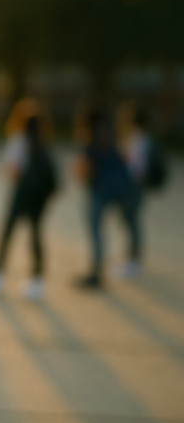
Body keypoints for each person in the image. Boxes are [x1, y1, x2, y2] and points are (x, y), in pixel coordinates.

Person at [0, 113, 58, 300]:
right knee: (35, 234)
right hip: (40, 198)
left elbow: (12, 170)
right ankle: (37, 279)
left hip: (22, 194)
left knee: (8, 233)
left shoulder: (18, 141)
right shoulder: (45, 142)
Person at [73, 106, 141, 288]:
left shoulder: (89, 139)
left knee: (95, 228)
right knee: (129, 221)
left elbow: (84, 169)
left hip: (100, 190)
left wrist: (79, 172)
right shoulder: (112, 136)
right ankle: (134, 258)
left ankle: (96, 271)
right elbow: (125, 159)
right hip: (123, 188)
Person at [115, 100, 151, 278]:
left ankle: (133, 261)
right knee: (130, 221)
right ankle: (132, 259)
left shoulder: (137, 138)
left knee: (131, 221)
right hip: (135, 186)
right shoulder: (139, 137)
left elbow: (137, 166)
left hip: (134, 187)